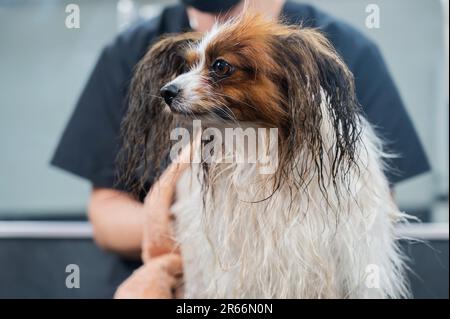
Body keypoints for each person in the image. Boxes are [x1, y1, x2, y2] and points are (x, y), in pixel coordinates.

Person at [51, 0, 430, 298]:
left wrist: (289, 234)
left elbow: (375, 210)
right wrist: (205, 230)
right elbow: (105, 214)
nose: (179, 83)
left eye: (221, 67)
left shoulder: (344, 48)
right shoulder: (130, 48)